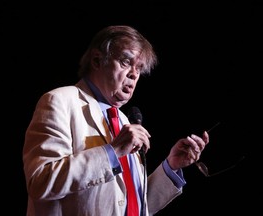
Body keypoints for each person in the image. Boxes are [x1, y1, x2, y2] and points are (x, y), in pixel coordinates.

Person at [23, 25, 210, 216]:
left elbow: (131, 206)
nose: (134, 74)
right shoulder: (60, 101)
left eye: (139, 68)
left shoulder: (122, 121)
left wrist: (171, 166)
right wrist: (113, 152)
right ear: (97, 60)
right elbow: (40, 181)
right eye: (126, 62)